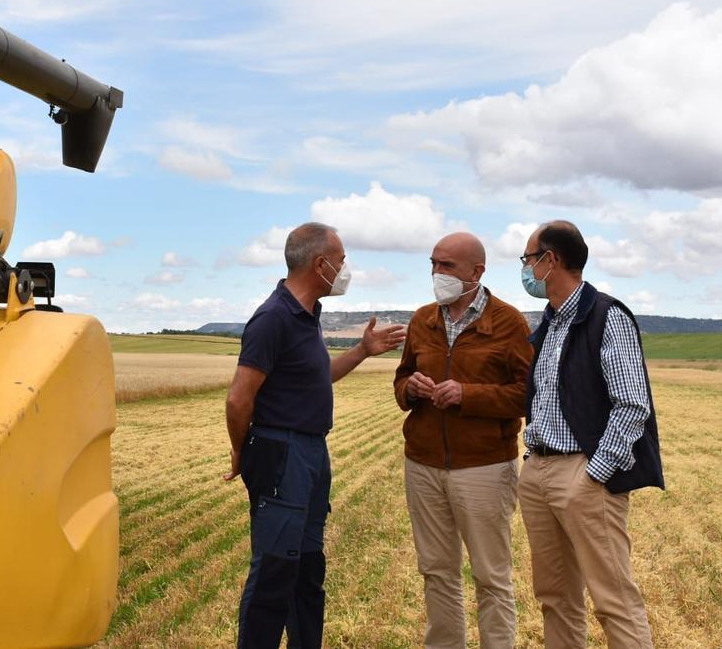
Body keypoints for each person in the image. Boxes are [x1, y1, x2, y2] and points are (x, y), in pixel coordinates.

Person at [224, 222, 406, 648]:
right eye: (341, 261)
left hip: (310, 452)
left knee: (307, 571)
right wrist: (241, 451)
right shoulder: (273, 318)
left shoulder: (306, 316)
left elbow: (318, 378)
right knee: (274, 572)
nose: (345, 270)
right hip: (281, 454)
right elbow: (238, 399)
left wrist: (361, 351)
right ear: (320, 264)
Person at [518, 220, 664, 648]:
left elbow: (632, 403)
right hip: (539, 472)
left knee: (613, 600)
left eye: (528, 259)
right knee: (555, 599)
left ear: (551, 260)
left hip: (583, 475)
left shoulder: (606, 316)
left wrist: (594, 475)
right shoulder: (549, 325)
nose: (525, 269)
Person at [393, 232, 532, 648]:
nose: (437, 273)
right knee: (436, 572)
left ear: (477, 271)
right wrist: (410, 388)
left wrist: (467, 394)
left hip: (485, 467)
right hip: (423, 464)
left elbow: (528, 393)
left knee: (491, 576)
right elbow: (401, 379)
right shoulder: (423, 319)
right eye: (434, 263)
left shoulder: (509, 322)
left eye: (447, 265)